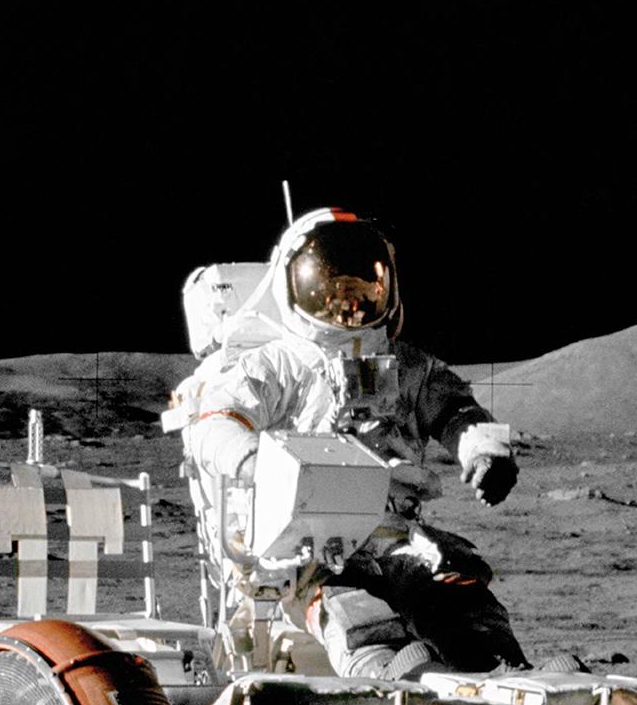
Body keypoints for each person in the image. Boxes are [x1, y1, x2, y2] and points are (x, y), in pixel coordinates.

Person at [182, 207, 528, 679]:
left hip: (394, 534)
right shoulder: (277, 364)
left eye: (362, 291)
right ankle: (386, 675)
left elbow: (456, 412)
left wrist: (483, 451)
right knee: (356, 610)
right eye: (331, 293)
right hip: (308, 544)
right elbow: (216, 422)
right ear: (293, 289)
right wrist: (248, 459)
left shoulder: (408, 366)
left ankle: (506, 673)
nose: (347, 306)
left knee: (457, 593)